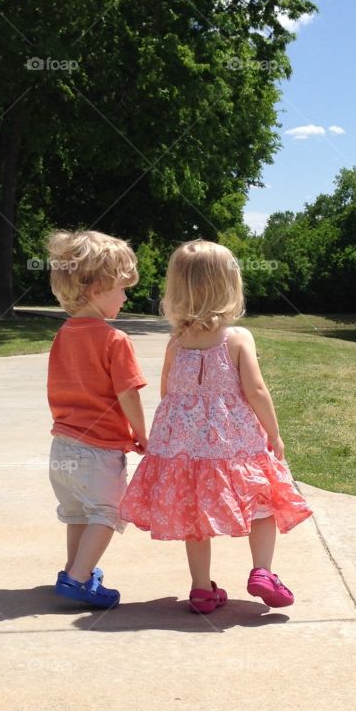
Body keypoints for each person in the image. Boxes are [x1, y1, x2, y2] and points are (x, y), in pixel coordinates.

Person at [119, 239, 311, 615]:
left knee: (195, 515)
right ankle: (262, 572)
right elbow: (256, 390)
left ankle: (201, 589)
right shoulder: (237, 338)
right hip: (234, 442)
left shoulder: (177, 341)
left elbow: (167, 390)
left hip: (188, 446)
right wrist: (274, 433)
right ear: (229, 286)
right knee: (262, 500)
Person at [46, 229, 148, 609]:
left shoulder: (63, 335)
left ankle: (77, 569)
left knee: (77, 513)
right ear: (98, 287)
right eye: (122, 288)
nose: (125, 296)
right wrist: (141, 434)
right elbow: (128, 393)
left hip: (61, 448)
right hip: (98, 451)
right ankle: (76, 579)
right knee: (106, 512)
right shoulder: (114, 339)